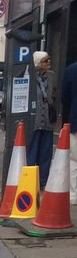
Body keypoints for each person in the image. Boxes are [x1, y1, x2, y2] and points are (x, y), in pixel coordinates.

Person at [27, 51, 55, 188]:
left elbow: (52, 96)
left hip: (47, 120)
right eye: (45, 60)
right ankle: (31, 182)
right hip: (35, 120)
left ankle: (43, 181)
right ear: (37, 63)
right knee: (32, 151)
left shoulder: (51, 76)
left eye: (49, 60)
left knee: (46, 153)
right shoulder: (30, 77)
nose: (49, 62)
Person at [60, 56, 77, 209]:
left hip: (76, 120)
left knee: (74, 160)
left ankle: (74, 195)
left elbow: (64, 97)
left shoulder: (71, 69)